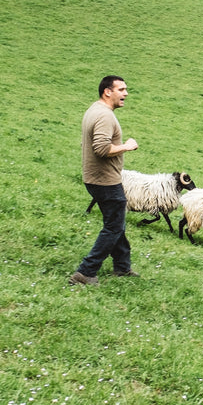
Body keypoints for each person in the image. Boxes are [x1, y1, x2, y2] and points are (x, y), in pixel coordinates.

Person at [70, 75, 140, 285]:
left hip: (95, 178)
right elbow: (101, 149)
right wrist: (127, 146)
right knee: (114, 227)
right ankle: (86, 272)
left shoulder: (95, 109)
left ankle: (122, 267)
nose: (126, 93)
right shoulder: (104, 116)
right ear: (107, 92)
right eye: (121, 89)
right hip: (105, 180)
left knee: (116, 222)